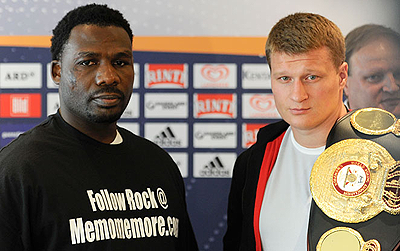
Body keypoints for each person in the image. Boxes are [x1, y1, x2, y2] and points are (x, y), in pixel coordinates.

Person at [0, 4, 198, 250]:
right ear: (57, 71)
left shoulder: (159, 163)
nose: (108, 76)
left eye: (120, 62)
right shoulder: (17, 171)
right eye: (88, 62)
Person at [223, 12, 348, 251]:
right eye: (284, 78)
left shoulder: (385, 155)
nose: (297, 95)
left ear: (341, 76)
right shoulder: (252, 163)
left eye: (311, 77)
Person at [344, 24, 400, 117]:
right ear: (344, 82)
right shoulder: (327, 130)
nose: (393, 87)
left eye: (398, 74)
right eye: (374, 77)